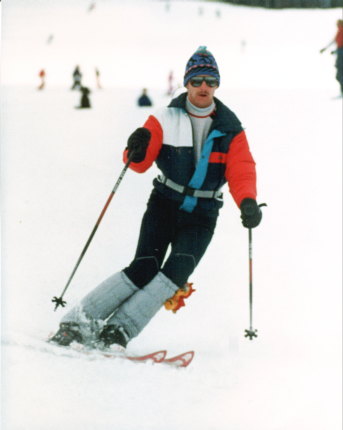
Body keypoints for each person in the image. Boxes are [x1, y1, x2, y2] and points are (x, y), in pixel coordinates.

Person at [50, 46, 262, 350]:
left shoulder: (231, 127)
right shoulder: (164, 117)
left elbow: (242, 170)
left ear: (217, 85)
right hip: (165, 202)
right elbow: (138, 163)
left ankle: (118, 332)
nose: (204, 87)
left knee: (175, 273)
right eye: (198, 80)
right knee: (144, 266)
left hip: (203, 214)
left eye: (211, 82)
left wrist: (248, 202)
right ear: (187, 83)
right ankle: (77, 323)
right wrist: (133, 148)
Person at [320, 19, 343, 96]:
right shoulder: (339, 32)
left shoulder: (341, 32)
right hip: (339, 53)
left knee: (340, 73)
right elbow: (334, 41)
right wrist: (326, 48)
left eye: (338, 24)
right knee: (339, 73)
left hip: (340, 54)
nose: (337, 26)